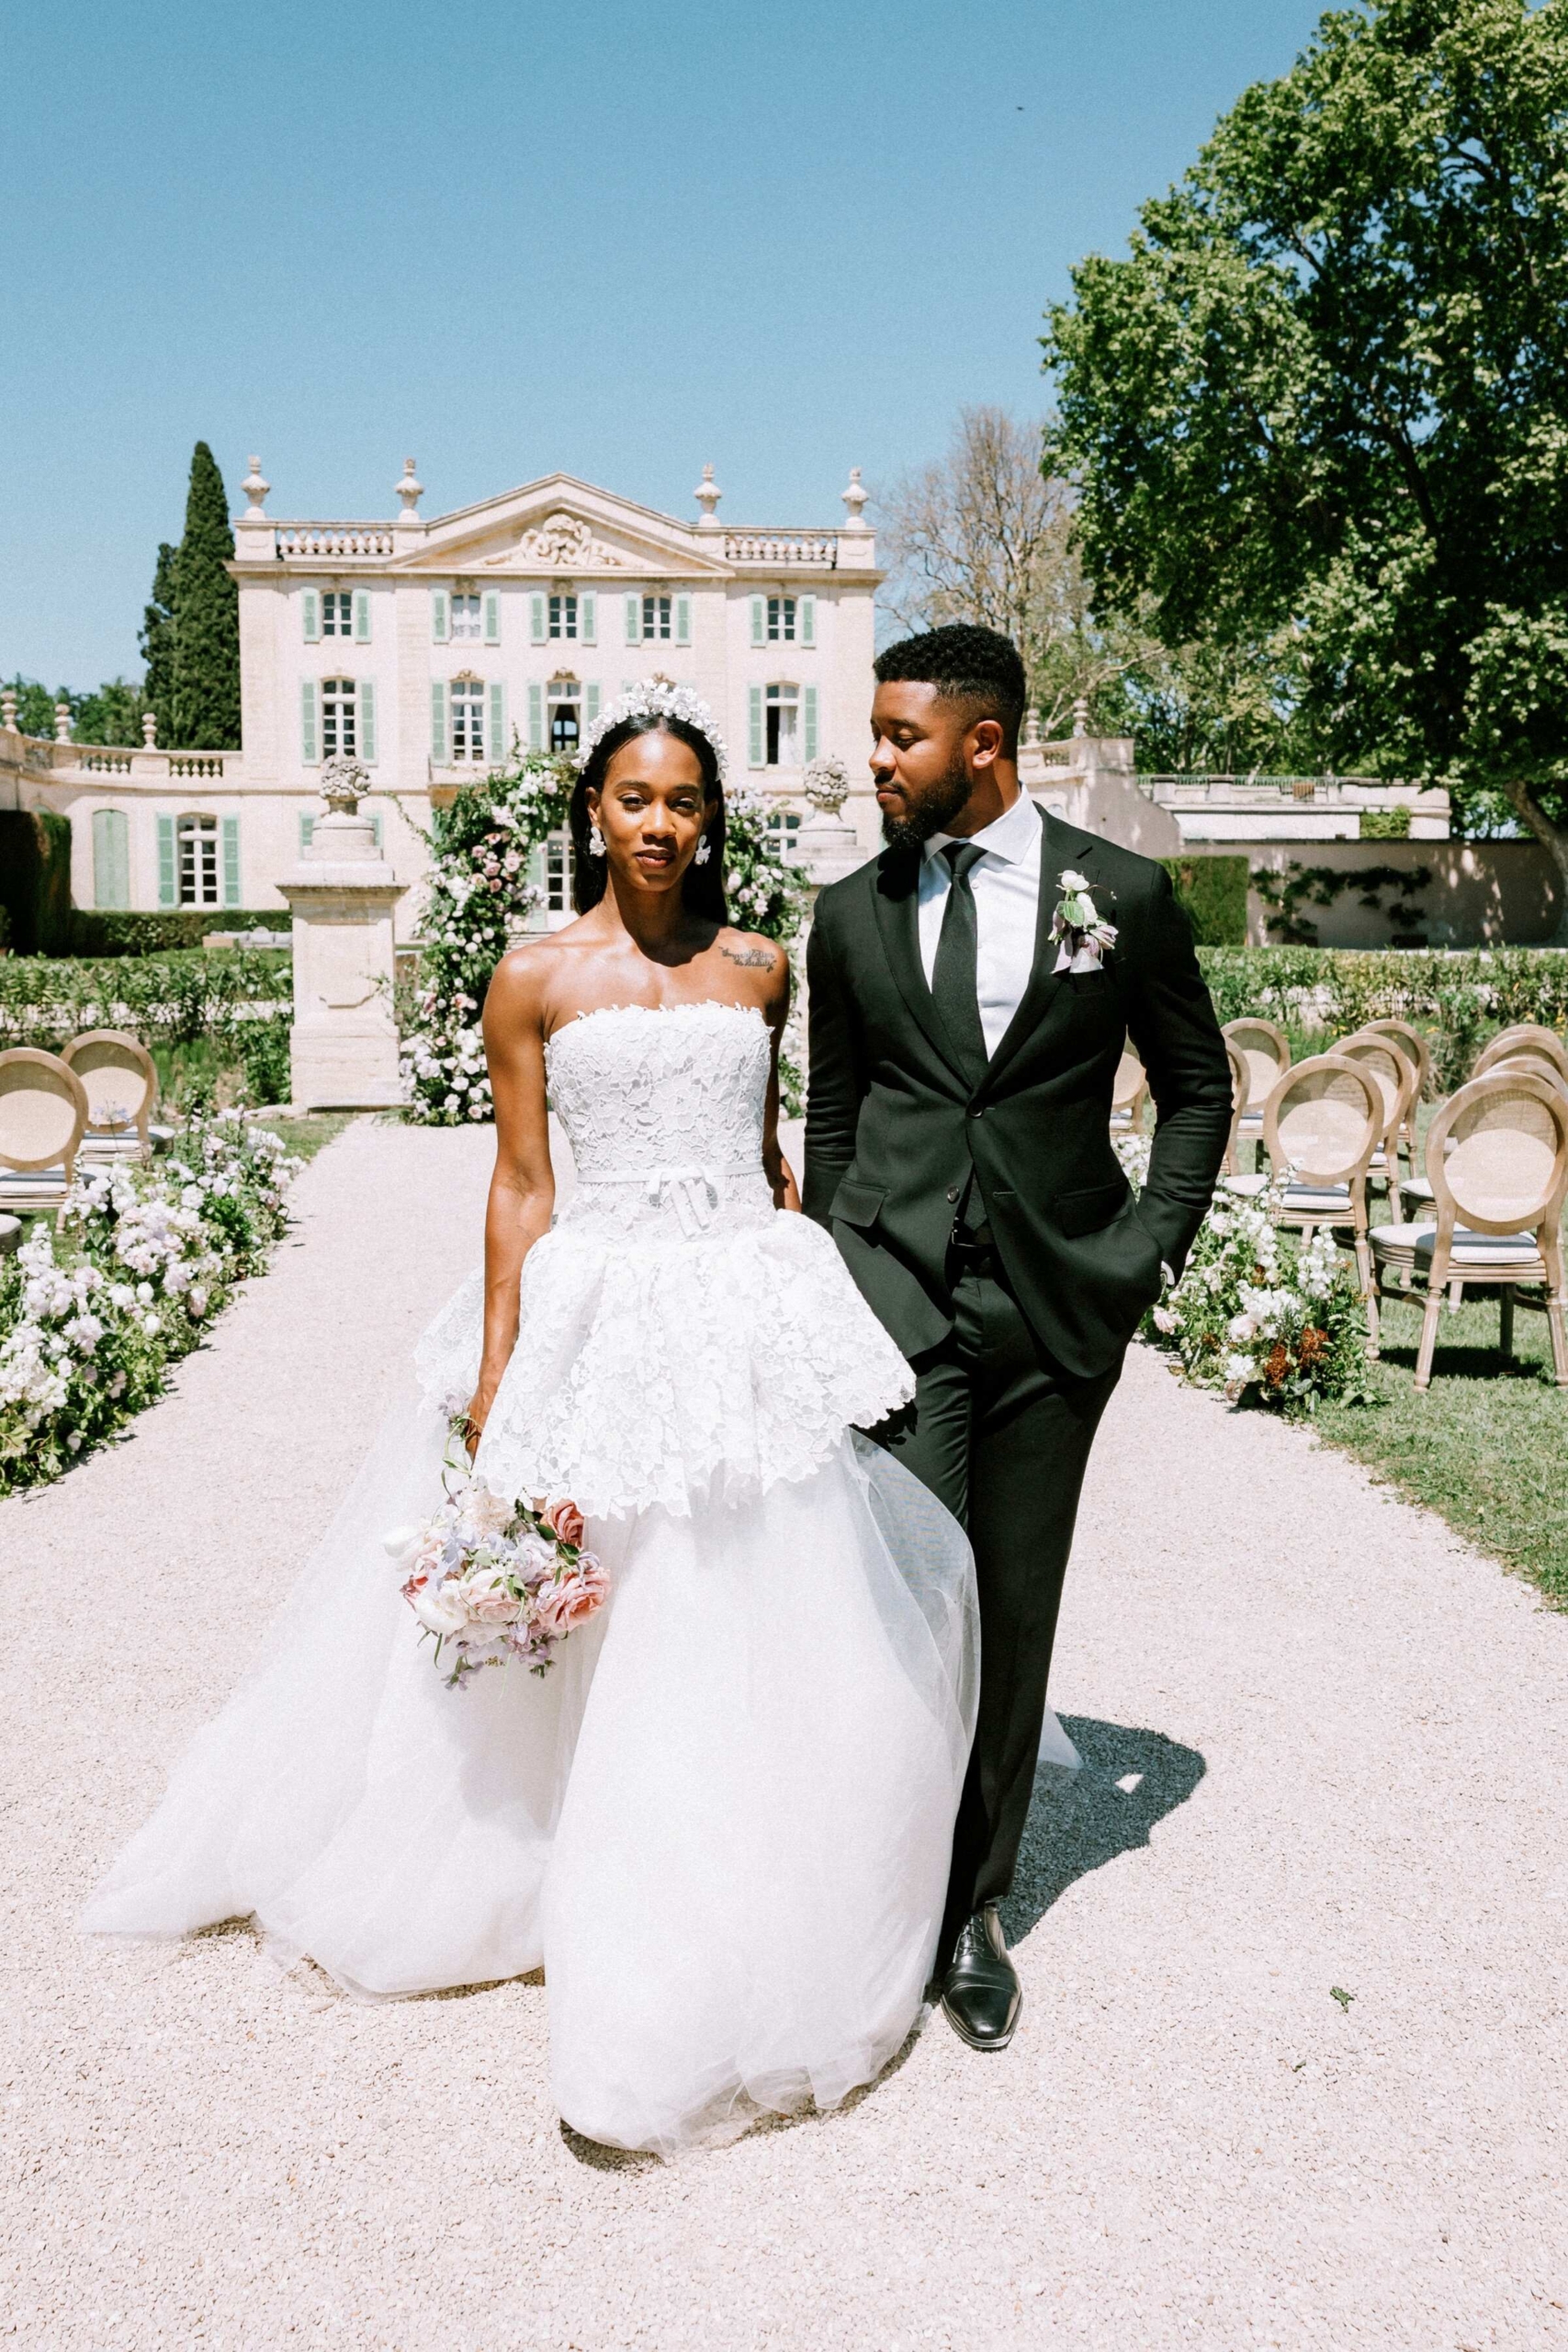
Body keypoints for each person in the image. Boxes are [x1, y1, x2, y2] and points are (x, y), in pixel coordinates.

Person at [84, 683, 978, 2158]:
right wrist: (500, 1369)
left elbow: (765, 1151)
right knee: (594, 1584)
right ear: (594, 812)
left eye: (686, 802)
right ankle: (558, 1861)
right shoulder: (534, 974)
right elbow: (519, 1180)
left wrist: (799, 1311)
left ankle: (730, 1868)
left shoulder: (759, 968)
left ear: (710, 820)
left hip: (734, 1293)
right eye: (636, 799)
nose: (662, 825)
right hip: (595, 1299)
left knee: (750, 1580)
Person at [806, 625, 1232, 2052]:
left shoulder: (1121, 894)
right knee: (909, 1602)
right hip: (900, 1307)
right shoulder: (849, 912)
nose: (875, 758)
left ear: (981, 745)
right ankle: (882, 1883)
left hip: (1057, 1310)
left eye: (898, 737)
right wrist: (837, 1279)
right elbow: (835, 1115)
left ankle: (974, 1911)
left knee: (1014, 1604)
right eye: (877, 734)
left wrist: (1139, 1257)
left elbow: (1194, 1089)